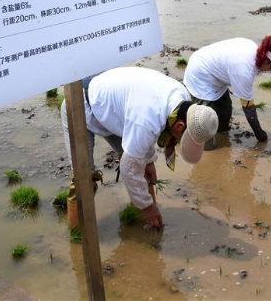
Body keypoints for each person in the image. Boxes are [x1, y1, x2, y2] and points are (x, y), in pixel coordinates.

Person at [61, 67, 218, 229]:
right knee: (84, 178)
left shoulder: (182, 98)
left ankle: (141, 219)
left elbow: (147, 131)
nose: (178, 142)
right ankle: (77, 235)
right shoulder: (146, 119)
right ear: (179, 126)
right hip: (81, 104)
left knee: (141, 163)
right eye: (182, 139)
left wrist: (149, 161)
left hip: (114, 109)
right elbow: (128, 168)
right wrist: (148, 208)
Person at [184, 35, 271, 144]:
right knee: (204, 121)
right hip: (200, 73)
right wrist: (259, 132)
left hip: (215, 73)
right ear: (266, 60)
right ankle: (205, 149)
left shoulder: (253, 48)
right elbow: (248, 107)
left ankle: (222, 138)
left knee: (225, 110)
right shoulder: (244, 71)